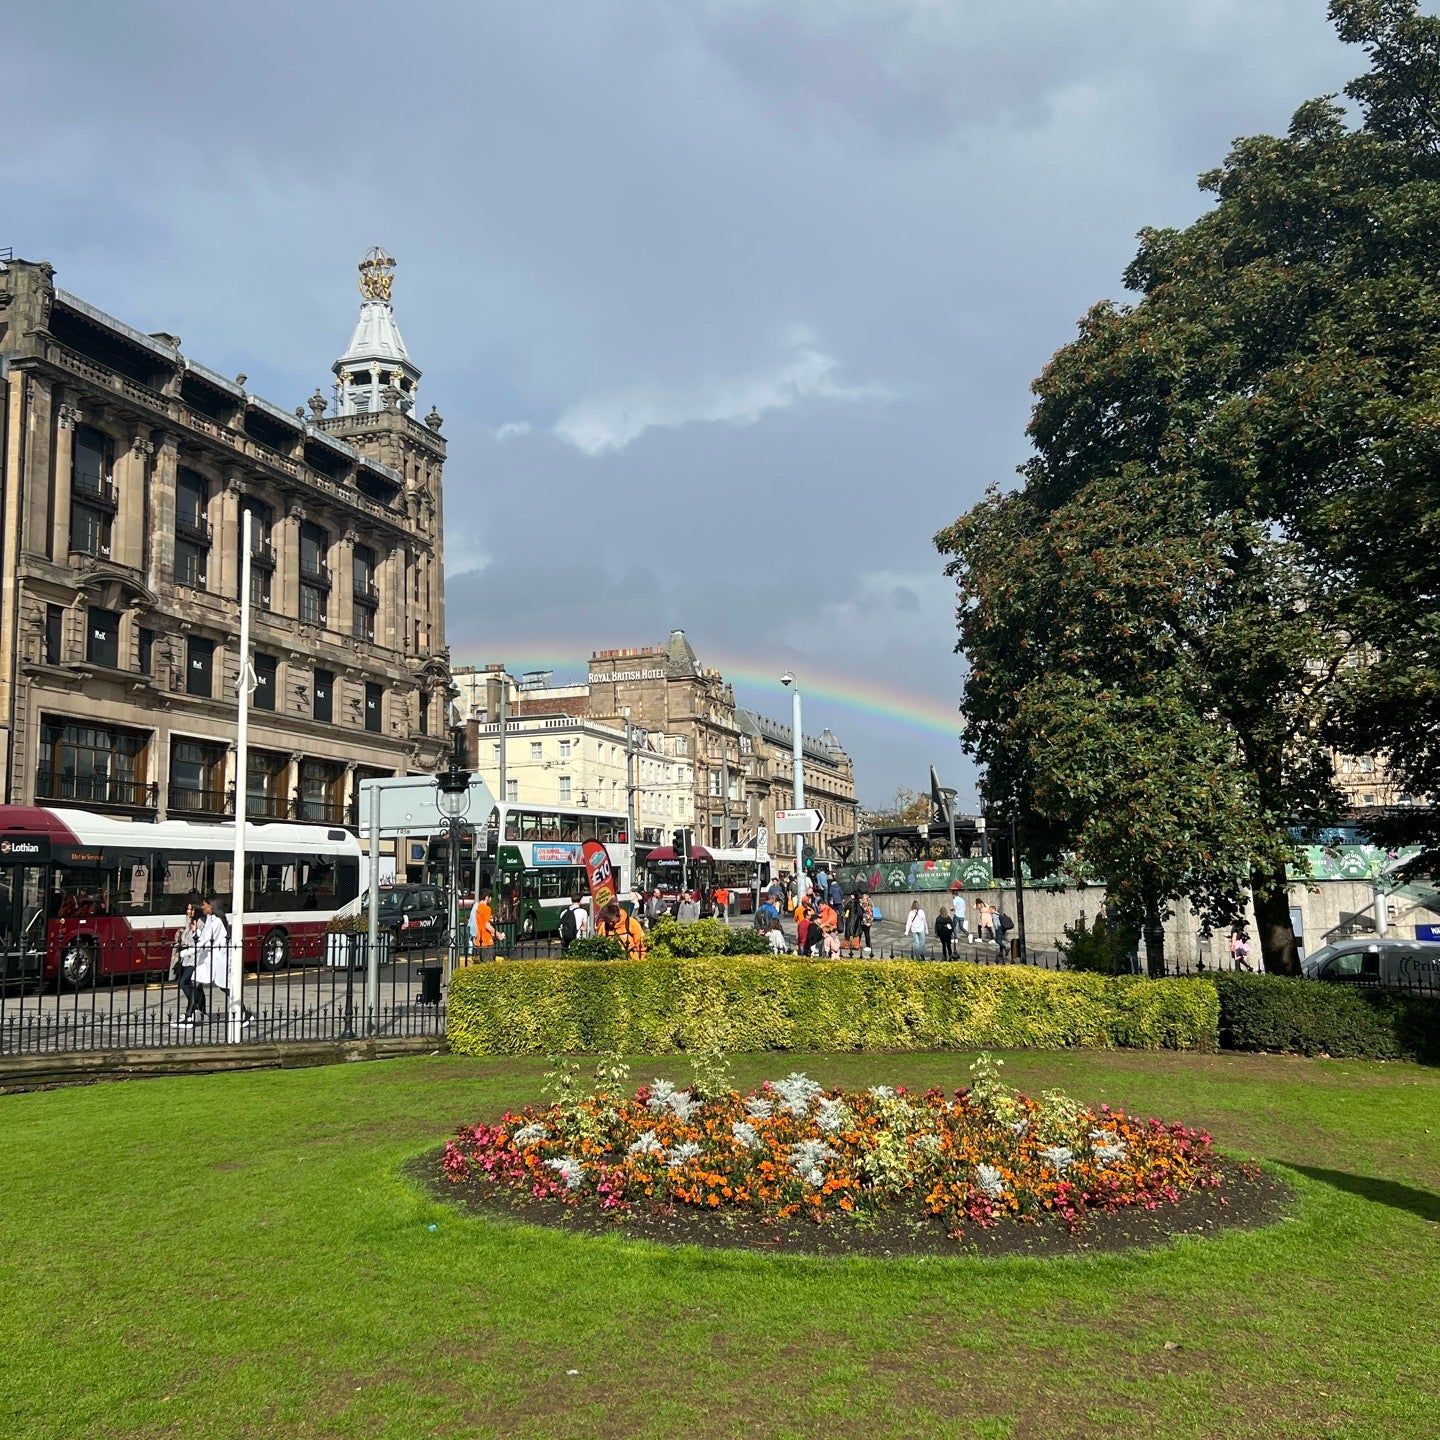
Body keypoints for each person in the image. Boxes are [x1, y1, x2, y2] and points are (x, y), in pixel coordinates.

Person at [195, 896, 254, 1027]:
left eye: (205, 905)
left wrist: (190, 949)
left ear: (212, 906)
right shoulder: (210, 920)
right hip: (212, 959)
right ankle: (193, 1012)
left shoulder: (216, 921)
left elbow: (207, 939)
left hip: (219, 960)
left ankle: (244, 1013)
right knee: (197, 981)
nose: (202, 907)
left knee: (225, 986)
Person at [171, 900, 204, 1027]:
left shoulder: (199, 922)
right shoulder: (188, 921)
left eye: (191, 909)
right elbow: (186, 937)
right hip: (188, 958)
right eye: (188, 909)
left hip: (195, 959)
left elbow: (199, 942)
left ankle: (193, 1009)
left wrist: (195, 932)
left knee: (184, 982)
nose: (188, 911)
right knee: (195, 986)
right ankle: (198, 1011)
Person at [470, 889, 495, 960]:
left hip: (477, 941)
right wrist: (497, 934)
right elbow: (487, 925)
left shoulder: (476, 907)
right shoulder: (486, 908)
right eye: (490, 897)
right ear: (487, 897)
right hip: (486, 941)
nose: (491, 899)